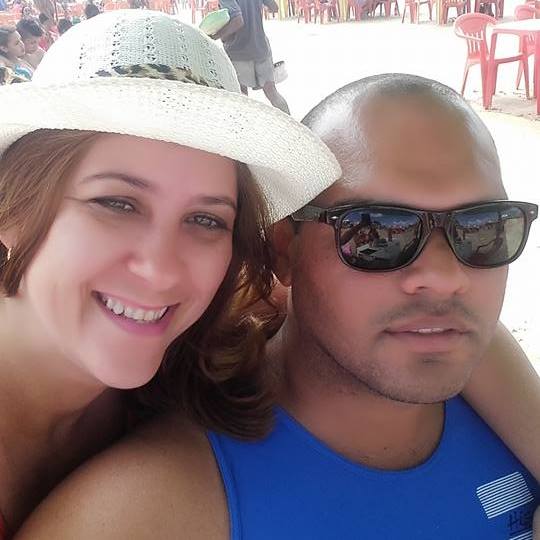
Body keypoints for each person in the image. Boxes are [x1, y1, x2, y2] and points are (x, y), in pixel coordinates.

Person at [16, 75, 540, 539]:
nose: (447, 279)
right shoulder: (147, 508)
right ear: (284, 250)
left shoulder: (499, 395)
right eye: (375, 233)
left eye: (485, 229)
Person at [0, 9, 340, 538]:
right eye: (117, 203)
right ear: (12, 211)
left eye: (206, 220)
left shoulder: (208, 342)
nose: (159, 271)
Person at [214, 0, 290, 114]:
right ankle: (291, 122)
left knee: (242, 95)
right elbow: (274, 8)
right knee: (271, 92)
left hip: (238, 51)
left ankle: (247, 123)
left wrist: (215, 35)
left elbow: (238, 21)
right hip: (260, 47)